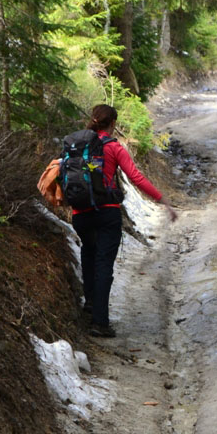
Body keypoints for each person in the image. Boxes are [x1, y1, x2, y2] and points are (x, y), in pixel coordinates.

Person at [72, 104, 177, 337]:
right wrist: (162, 199)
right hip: (106, 214)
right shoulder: (113, 147)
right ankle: (100, 322)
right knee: (103, 265)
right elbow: (136, 178)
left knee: (88, 255)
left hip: (80, 213)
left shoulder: (76, 145)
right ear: (113, 124)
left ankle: (90, 303)